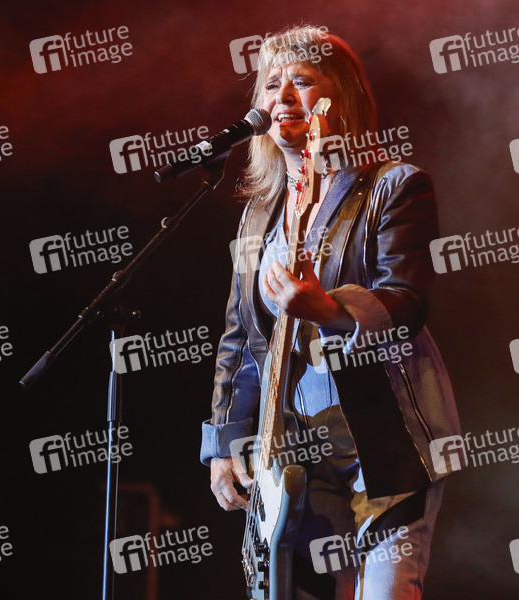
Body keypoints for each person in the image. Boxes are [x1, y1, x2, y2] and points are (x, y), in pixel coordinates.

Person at [199, 25, 461, 600]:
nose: (283, 96)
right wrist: (223, 444)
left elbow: (408, 300)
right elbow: (241, 336)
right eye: (271, 85)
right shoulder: (259, 214)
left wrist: (328, 309)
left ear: (344, 96)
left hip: (386, 441)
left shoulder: (394, 186)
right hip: (295, 452)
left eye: (302, 81)